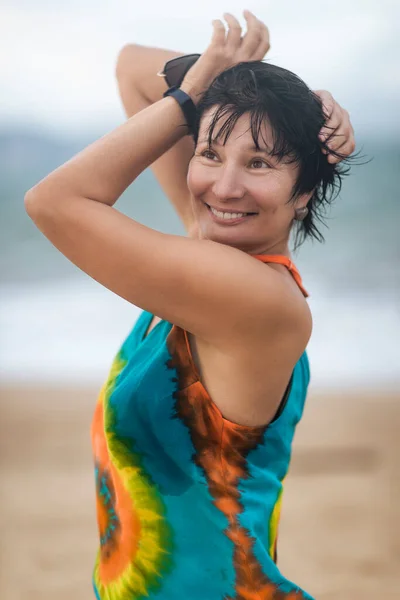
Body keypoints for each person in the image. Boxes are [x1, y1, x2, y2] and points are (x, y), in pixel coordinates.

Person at [25, 10, 356, 600]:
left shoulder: (249, 298)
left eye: (260, 163)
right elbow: (132, 67)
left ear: (304, 190)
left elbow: (54, 201)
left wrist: (204, 99)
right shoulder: (209, 260)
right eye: (210, 153)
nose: (223, 188)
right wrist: (280, 97)